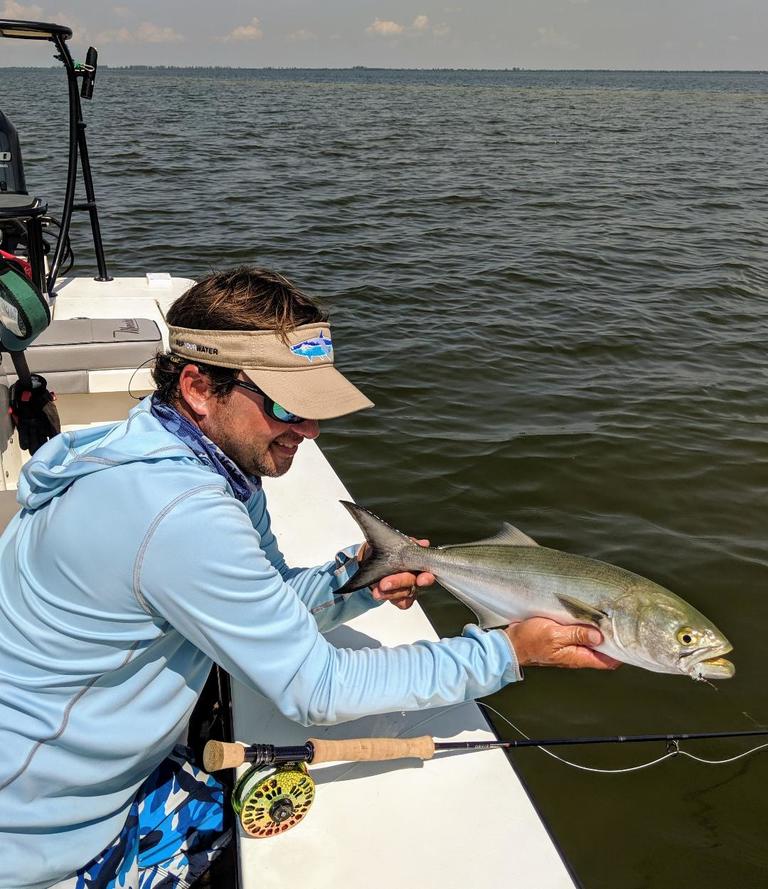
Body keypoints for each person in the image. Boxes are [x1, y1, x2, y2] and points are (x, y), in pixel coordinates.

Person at [0, 267, 618, 889]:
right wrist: (507, 652)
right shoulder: (183, 513)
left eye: (315, 408)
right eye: (286, 406)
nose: (311, 430)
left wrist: (355, 582)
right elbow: (317, 689)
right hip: (40, 833)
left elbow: (266, 600)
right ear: (198, 387)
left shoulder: (178, 453)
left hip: (83, 773)